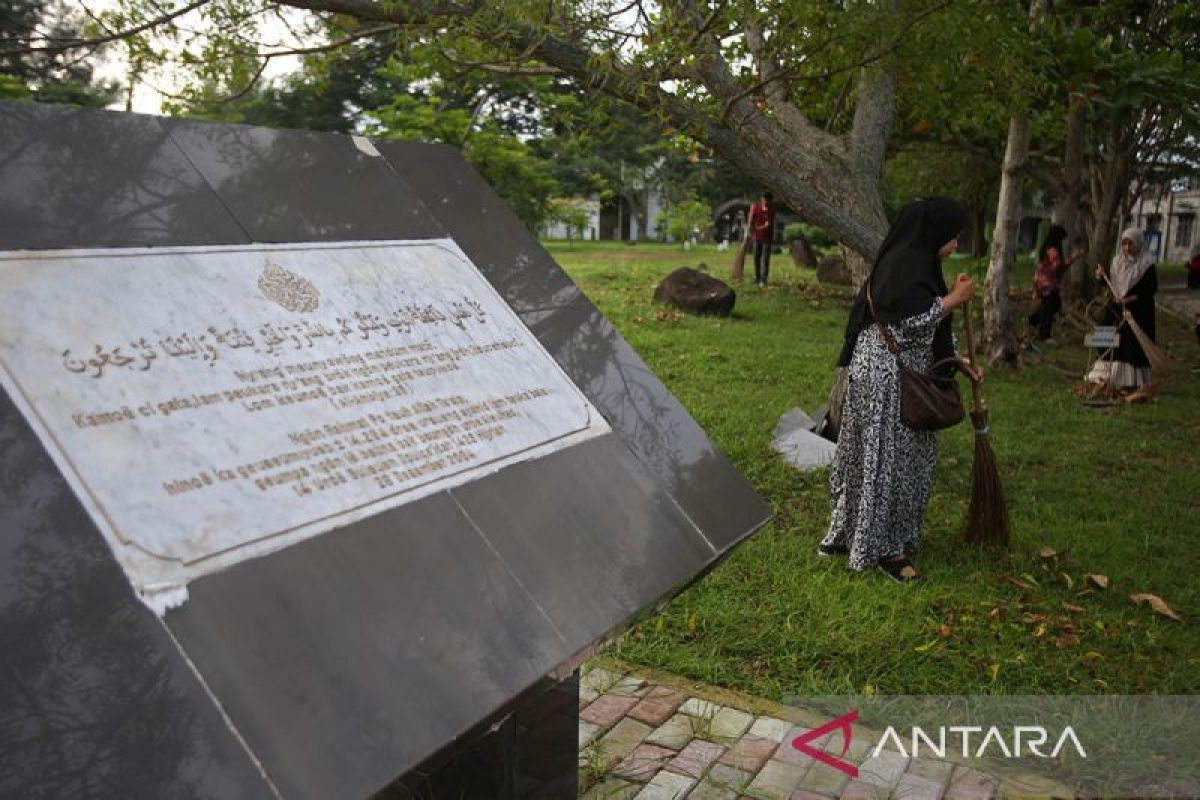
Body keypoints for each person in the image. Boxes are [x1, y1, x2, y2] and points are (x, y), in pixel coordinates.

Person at [819, 197, 982, 582]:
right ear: (934, 234)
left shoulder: (919, 266)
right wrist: (953, 301)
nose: (956, 245)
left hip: (898, 377)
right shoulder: (900, 267)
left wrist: (959, 361)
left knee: (883, 457)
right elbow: (904, 328)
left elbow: (933, 333)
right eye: (953, 237)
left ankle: (855, 534)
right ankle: (883, 549)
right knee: (885, 459)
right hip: (885, 378)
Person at [1086, 228, 1158, 391]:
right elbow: (1113, 285)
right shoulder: (1117, 261)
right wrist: (1101, 277)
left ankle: (1129, 379)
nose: (1127, 248)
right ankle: (1103, 373)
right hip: (1116, 307)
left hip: (1138, 311)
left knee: (1129, 343)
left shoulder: (1146, 265)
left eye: (1130, 243)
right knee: (1105, 335)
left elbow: (1149, 290)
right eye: (1124, 243)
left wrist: (1128, 299)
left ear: (1138, 243)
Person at [1028, 225, 1083, 341]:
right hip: (1048, 283)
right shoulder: (1053, 249)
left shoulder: (1047, 247)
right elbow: (1059, 267)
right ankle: (1044, 334)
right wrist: (1073, 257)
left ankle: (1039, 327)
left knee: (1051, 306)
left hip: (1044, 281)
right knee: (1050, 307)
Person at [749, 192, 776, 288]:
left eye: (767, 200)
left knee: (765, 258)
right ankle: (757, 277)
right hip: (757, 237)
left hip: (767, 238)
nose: (765, 202)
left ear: (770, 201)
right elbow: (751, 218)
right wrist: (750, 228)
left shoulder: (771, 211)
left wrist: (758, 228)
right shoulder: (756, 207)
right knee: (756, 256)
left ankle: (763, 279)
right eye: (764, 199)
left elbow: (767, 225)